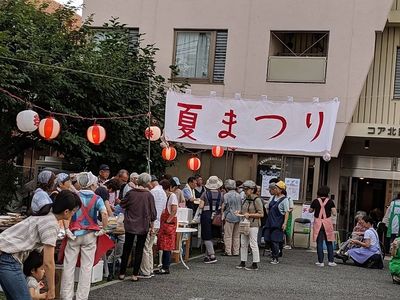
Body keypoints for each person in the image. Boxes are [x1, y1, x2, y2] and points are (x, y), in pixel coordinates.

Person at [0, 190, 81, 300]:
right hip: (7, 257)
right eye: (74, 211)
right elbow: (48, 262)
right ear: (66, 211)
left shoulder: (47, 212)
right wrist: (52, 290)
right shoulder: (50, 224)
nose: (74, 214)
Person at [60, 172, 109, 300]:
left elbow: (66, 213)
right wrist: (104, 228)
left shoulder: (73, 196)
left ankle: (66, 296)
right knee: (86, 268)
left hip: (74, 234)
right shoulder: (97, 198)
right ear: (92, 183)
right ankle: (82, 297)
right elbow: (104, 214)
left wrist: (66, 229)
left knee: (68, 267)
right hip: (91, 235)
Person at [119, 173, 157, 282]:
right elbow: (153, 213)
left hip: (130, 224)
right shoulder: (149, 195)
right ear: (147, 183)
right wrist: (152, 225)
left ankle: (122, 273)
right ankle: (134, 275)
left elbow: (122, 204)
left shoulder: (131, 193)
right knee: (139, 249)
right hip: (143, 225)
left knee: (127, 248)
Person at [139, 175, 167, 278]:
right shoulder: (163, 192)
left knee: (145, 247)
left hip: (151, 223)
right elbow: (163, 210)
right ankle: (150, 268)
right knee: (149, 247)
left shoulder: (152, 192)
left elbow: (148, 209)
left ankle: (145, 271)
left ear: (150, 182)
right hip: (158, 222)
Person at [236, 180, 264, 270]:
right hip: (245, 223)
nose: (244, 191)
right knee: (243, 243)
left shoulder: (257, 200)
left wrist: (250, 215)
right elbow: (244, 210)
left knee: (253, 243)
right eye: (244, 189)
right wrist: (239, 212)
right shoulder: (246, 199)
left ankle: (255, 264)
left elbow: (261, 214)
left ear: (252, 190)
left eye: (246, 189)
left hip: (254, 224)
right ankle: (243, 262)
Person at [309, 186, 337, 267]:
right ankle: (331, 261)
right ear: (327, 193)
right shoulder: (330, 201)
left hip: (318, 223)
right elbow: (334, 213)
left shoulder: (315, 201)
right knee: (329, 242)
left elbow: (310, 210)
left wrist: (314, 209)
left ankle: (320, 262)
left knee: (319, 242)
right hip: (327, 223)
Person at [199, 176, 224, 264]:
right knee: (212, 235)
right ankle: (207, 256)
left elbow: (201, 206)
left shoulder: (205, 194)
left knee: (206, 235)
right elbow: (222, 207)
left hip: (206, 215)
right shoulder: (221, 194)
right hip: (216, 215)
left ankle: (212, 256)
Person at [264, 181, 289, 265]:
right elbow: (267, 207)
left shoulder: (285, 200)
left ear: (281, 190)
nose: (274, 189)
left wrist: (284, 223)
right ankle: (276, 251)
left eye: (276, 188)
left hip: (278, 222)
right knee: (267, 239)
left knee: (275, 240)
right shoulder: (272, 197)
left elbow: (286, 212)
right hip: (269, 221)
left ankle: (275, 257)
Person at [157, 178, 179, 274]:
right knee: (163, 245)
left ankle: (166, 267)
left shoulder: (172, 196)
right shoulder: (165, 196)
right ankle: (163, 265)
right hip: (165, 223)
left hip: (169, 224)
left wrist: (168, 221)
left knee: (167, 246)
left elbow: (174, 210)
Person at [221, 179, 241, 256]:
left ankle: (228, 251)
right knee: (236, 236)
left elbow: (224, 206)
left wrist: (223, 214)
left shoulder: (226, 195)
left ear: (226, 187)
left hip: (229, 216)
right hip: (238, 216)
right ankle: (236, 251)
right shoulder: (238, 195)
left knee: (228, 235)